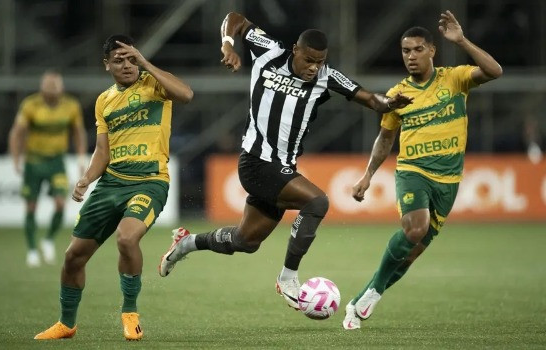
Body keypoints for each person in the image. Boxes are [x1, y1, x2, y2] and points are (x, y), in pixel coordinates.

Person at [158, 12, 412, 310]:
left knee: (245, 241)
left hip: (282, 169)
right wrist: (228, 45)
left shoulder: (326, 76)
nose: (313, 67)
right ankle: (288, 278)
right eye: (309, 60)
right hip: (255, 162)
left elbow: (370, 99)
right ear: (295, 50)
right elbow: (235, 19)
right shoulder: (269, 51)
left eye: (320, 61)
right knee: (317, 202)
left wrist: (389, 103)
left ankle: (186, 243)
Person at [342, 10, 502, 330]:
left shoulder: (454, 79)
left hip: (449, 179)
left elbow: (494, 71)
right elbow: (385, 138)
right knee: (415, 229)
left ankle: (359, 301)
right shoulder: (397, 95)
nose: (411, 56)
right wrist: (368, 175)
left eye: (417, 49)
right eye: (405, 51)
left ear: (432, 50)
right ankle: (373, 291)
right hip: (413, 171)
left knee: (412, 253)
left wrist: (462, 40)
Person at [34, 34, 193, 340]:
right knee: (73, 257)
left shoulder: (155, 84)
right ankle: (67, 324)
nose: (127, 65)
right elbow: (102, 152)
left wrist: (145, 61)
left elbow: (186, 94)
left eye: (131, 58)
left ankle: (130, 314)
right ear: (106, 65)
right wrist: (86, 178)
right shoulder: (104, 102)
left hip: (150, 181)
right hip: (110, 185)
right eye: (118, 61)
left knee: (127, 237)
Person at [8, 70, 87, 267]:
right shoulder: (30, 105)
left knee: (61, 204)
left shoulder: (71, 106)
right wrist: (16, 158)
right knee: (31, 206)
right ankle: (32, 250)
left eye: (55, 89)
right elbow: (17, 133)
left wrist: (80, 157)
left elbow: (78, 133)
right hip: (34, 161)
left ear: (61, 89)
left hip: (56, 161)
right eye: (49, 89)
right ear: (42, 89)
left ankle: (49, 240)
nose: (52, 93)